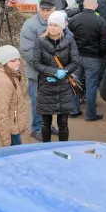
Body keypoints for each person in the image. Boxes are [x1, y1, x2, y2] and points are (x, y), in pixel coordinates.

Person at [29, 9, 80, 142]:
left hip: (63, 87)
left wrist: (65, 72)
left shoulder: (70, 41)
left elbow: (75, 61)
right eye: (50, 24)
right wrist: (54, 72)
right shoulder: (40, 41)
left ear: (62, 26)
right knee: (45, 123)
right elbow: (36, 63)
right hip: (46, 86)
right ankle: (47, 148)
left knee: (63, 124)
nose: (52, 28)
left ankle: (63, 148)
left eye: (55, 25)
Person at [19, 0, 58, 139]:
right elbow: (26, 51)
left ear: (54, 10)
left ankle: (48, 125)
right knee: (38, 102)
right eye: (43, 10)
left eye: (49, 10)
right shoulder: (30, 25)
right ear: (39, 9)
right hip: (36, 73)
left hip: (53, 72)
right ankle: (36, 128)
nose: (45, 13)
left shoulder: (57, 22)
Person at [67, 0, 106, 121]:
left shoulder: (74, 19)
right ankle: (90, 114)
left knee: (75, 82)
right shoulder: (100, 21)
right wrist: (100, 54)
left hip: (76, 56)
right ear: (96, 6)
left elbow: (68, 38)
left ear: (84, 5)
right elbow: (105, 41)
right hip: (93, 57)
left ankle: (74, 110)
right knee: (91, 85)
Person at [0, 45, 27, 146]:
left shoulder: (11, 74)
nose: (18, 62)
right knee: (16, 155)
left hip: (13, 124)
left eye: (18, 59)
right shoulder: (4, 82)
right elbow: (2, 113)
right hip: (10, 128)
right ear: (4, 63)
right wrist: (6, 142)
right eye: (13, 60)